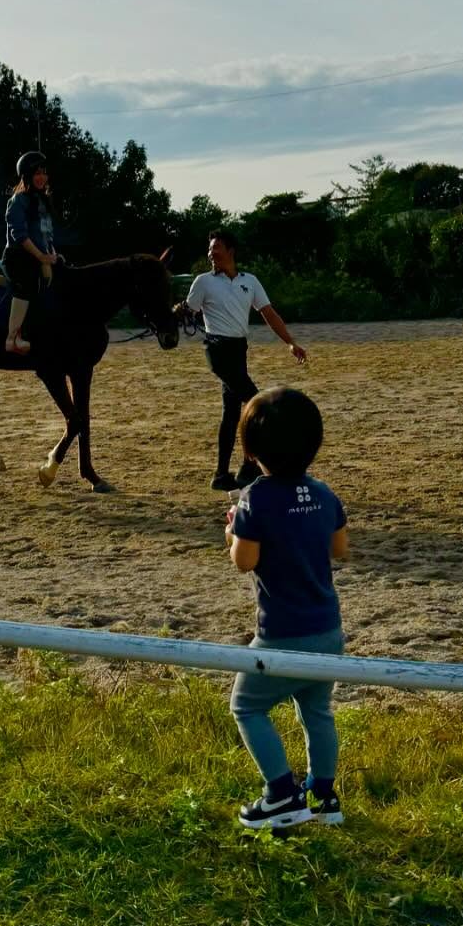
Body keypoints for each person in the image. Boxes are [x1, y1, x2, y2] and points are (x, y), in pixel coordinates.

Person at [225, 387, 348, 831]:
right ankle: (324, 796)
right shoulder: (323, 492)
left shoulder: (254, 499)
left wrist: (231, 532)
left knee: (246, 707)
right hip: (328, 629)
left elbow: (245, 561)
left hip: (281, 635)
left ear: (252, 450)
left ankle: (280, 796)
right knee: (316, 711)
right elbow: (340, 548)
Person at [182, 229, 307, 491]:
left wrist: (290, 342)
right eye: (209, 249)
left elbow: (268, 313)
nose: (211, 253)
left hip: (239, 350)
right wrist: (175, 312)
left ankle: (221, 474)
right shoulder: (203, 282)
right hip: (216, 350)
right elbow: (187, 312)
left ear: (230, 251)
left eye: (216, 248)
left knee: (231, 414)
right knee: (257, 403)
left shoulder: (250, 281)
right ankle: (251, 466)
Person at [0, 151, 59, 355]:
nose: (41, 177)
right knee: (27, 284)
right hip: (19, 257)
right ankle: (13, 337)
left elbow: (47, 234)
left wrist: (52, 254)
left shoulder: (44, 201)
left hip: (41, 256)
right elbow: (20, 235)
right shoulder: (18, 201)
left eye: (44, 173)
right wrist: (41, 257)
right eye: (36, 173)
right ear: (27, 176)